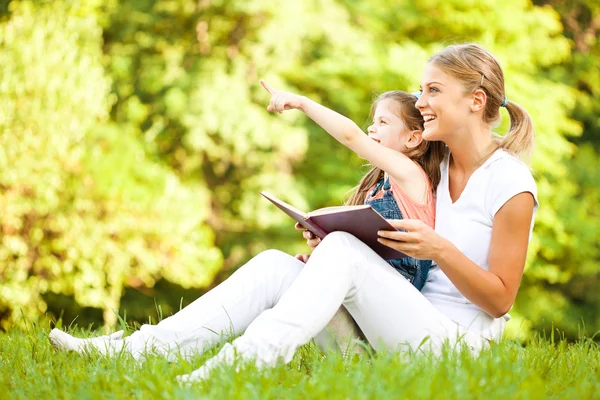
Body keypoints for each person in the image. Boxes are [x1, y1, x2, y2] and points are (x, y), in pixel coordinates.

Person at [50, 43, 537, 387]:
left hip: (453, 351)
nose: (420, 101)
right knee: (273, 266)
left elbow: (499, 300)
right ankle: (136, 350)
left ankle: (233, 370)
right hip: (393, 333)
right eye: (421, 90)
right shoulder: (436, 165)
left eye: (432, 90)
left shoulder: (510, 184)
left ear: (475, 101)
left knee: (343, 252)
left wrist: (439, 250)